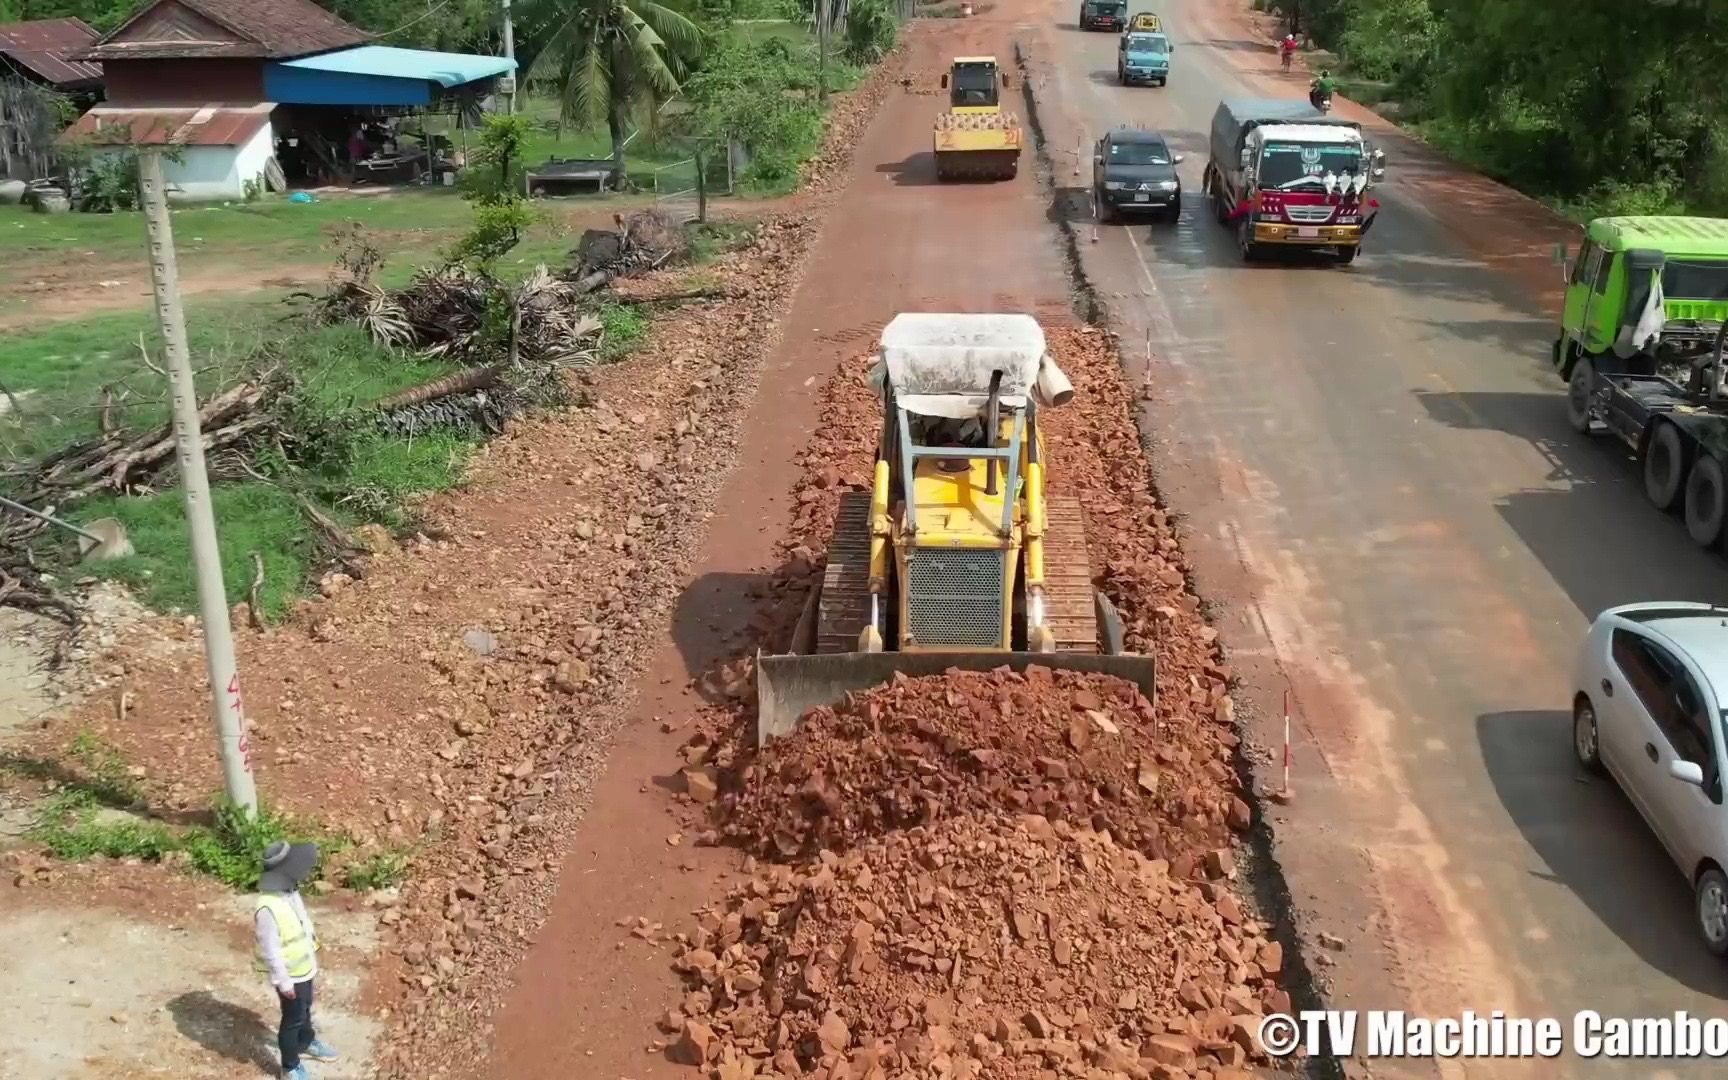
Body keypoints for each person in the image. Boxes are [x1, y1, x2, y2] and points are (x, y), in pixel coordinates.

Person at [254, 841, 339, 1079]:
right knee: (292, 1019)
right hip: (290, 976)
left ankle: (306, 1041)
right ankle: (290, 1066)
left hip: (305, 969)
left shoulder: (291, 893)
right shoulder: (267, 908)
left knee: (305, 1009)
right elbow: (270, 950)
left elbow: (303, 923)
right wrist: (283, 982)